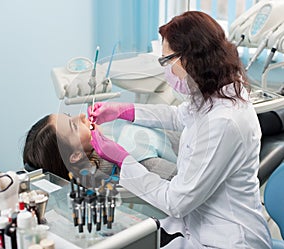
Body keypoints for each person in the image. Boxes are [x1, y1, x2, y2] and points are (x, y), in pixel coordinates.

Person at [88, 11, 272, 249]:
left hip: (229, 240)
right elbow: (179, 115)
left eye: (167, 61)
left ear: (191, 58)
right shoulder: (215, 93)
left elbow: (176, 202)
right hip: (197, 228)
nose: (166, 70)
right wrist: (123, 110)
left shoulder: (224, 121)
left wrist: (123, 159)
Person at [22, 113, 178, 186]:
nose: (82, 116)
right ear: (76, 155)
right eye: (74, 125)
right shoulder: (138, 162)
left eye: (70, 116)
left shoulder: (99, 149)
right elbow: (187, 180)